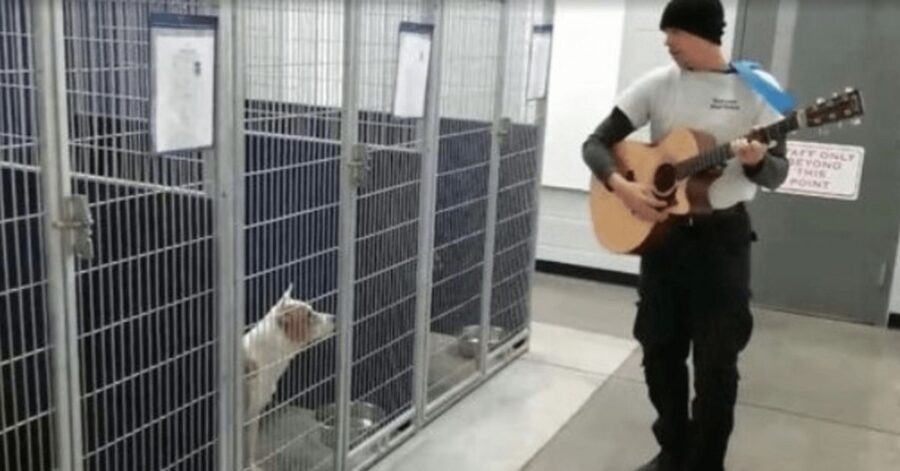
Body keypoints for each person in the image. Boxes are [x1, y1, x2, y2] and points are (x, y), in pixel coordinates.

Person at [581, 1, 790, 470]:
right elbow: (594, 143)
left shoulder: (761, 88)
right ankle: (673, 452)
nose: (667, 41)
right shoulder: (658, 85)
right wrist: (624, 187)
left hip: (722, 244)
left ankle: (705, 463)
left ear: (703, 33)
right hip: (664, 242)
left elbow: (779, 173)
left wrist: (757, 162)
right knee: (659, 352)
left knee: (716, 365)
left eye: (674, 31)